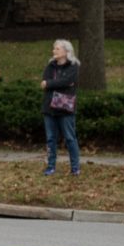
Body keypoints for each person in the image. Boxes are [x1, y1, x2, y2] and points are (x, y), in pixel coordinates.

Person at [41, 38, 80, 177]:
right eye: (54, 48)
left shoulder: (73, 66)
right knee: (51, 138)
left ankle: (75, 167)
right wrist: (57, 84)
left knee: (70, 138)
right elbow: (44, 82)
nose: (54, 51)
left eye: (57, 48)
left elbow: (67, 81)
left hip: (65, 109)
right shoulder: (50, 66)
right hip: (49, 108)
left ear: (66, 51)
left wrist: (51, 84)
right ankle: (51, 166)